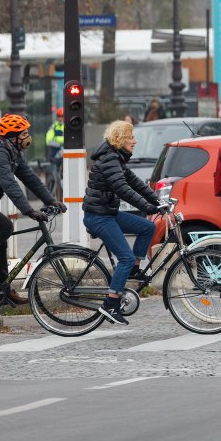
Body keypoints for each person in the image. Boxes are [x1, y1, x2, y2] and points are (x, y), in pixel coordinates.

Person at [81, 120, 167, 324]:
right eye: (131, 137)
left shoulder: (116, 158)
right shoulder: (110, 158)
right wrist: (148, 208)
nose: (135, 141)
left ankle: (134, 269)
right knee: (125, 258)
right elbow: (122, 188)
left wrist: (157, 200)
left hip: (107, 213)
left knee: (148, 226)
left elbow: (135, 182)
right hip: (98, 216)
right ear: (119, 139)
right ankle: (110, 304)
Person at [0, 114, 64, 305]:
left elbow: (31, 179)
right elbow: (8, 183)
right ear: (13, 136)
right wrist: (29, 210)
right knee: (5, 227)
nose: (28, 136)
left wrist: (51, 200)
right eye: (24, 133)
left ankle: (2, 291)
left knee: (0, 243)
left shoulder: (12, 151)